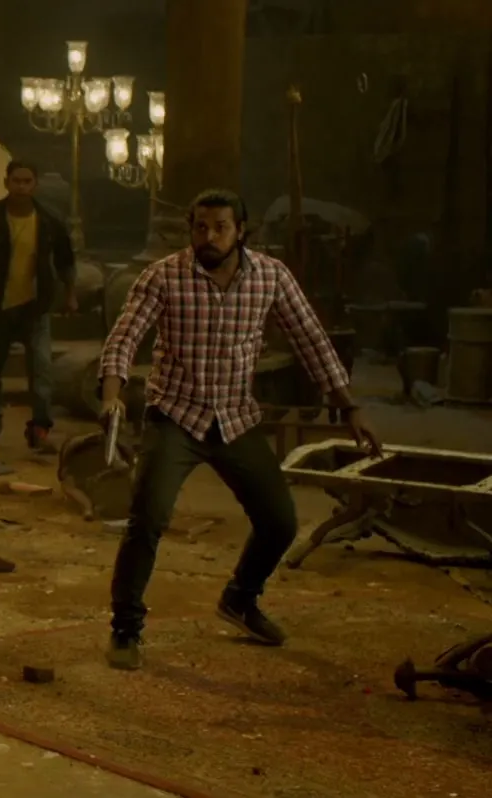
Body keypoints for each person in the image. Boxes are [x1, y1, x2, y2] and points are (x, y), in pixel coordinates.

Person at [96, 188, 383, 671]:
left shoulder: (271, 276)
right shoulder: (163, 275)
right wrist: (111, 395)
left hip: (235, 417)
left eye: (220, 228)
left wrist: (350, 407)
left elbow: (311, 340)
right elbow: (123, 338)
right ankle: (125, 628)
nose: (209, 237)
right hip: (176, 415)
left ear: (241, 231)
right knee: (147, 520)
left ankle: (240, 599)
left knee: (280, 522)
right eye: (200, 227)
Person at [0, 159, 78, 452]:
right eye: (16, 181)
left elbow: (65, 262)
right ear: (6, 183)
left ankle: (40, 429)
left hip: (35, 308)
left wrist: (70, 295)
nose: (21, 187)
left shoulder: (49, 221)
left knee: (42, 372)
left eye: (27, 181)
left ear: (35, 185)